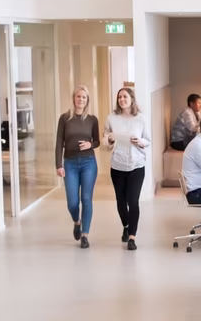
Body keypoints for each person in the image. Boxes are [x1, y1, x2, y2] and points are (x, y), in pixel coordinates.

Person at [103, 86, 150, 250]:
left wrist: (140, 142)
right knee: (121, 202)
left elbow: (148, 140)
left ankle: (132, 237)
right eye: (119, 97)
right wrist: (108, 139)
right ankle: (126, 225)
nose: (122, 100)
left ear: (132, 99)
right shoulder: (111, 118)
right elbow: (105, 138)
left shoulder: (141, 119)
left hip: (137, 165)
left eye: (125, 97)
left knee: (133, 201)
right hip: (117, 165)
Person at [55, 85, 100, 249]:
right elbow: (59, 142)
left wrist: (90, 144)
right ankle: (77, 221)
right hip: (70, 163)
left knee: (86, 199)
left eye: (84, 97)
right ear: (74, 99)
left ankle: (85, 235)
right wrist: (58, 164)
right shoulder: (65, 118)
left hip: (89, 163)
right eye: (78, 96)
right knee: (72, 202)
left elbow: (97, 141)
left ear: (87, 101)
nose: (81, 99)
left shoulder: (92, 119)